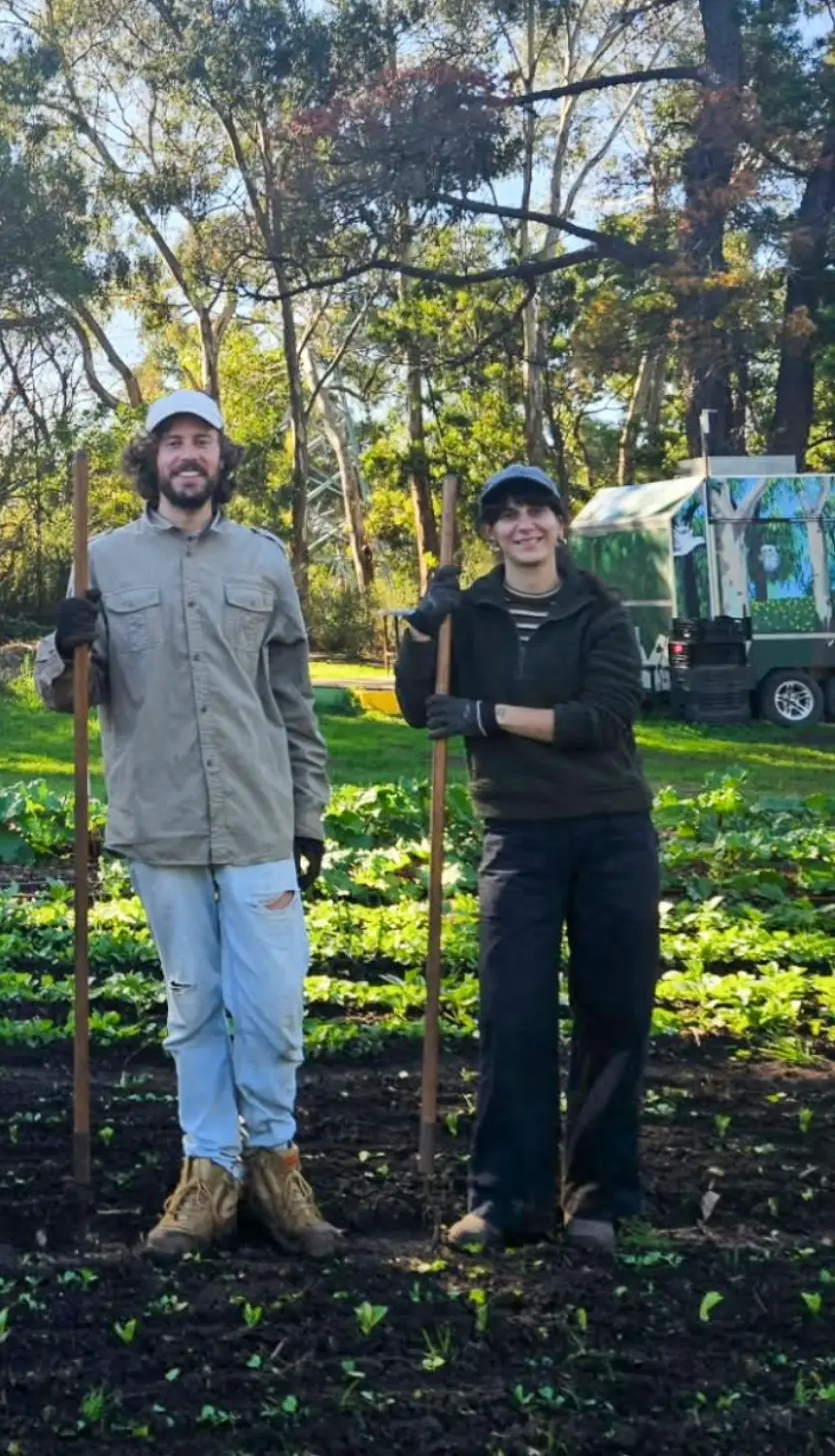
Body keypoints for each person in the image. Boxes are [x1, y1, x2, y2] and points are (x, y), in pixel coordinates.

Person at [35, 390, 341, 1260]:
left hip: (255, 818)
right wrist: (63, 646)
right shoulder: (100, 561)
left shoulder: (262, 561)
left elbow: (291, 697)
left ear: (220, 457)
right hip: (158, 822)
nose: (187, 455)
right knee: (193, 1006)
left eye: (200, 440)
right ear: (151, 460)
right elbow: (69, 696)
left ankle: (275, 1164)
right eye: (172, 442)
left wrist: (306, 813)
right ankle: (206, 1173)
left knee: (274, 1006)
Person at [393, 463, 659, 1255]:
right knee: (513, 1016)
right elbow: (419, 709)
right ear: (489, 532)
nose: (522, 526)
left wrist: (489, 715)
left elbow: (603, 718)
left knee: (613, 1013)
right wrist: (422, 628)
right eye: (505, 516)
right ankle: (505, 1200)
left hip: (611, 833)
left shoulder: (597, 611)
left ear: (558, 524)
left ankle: (597, 1199)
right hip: (518, 839)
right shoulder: (465, 613)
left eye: (535, 511)